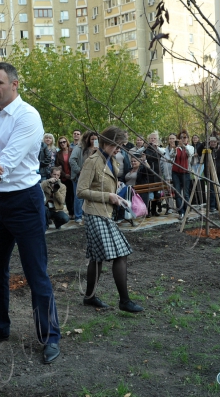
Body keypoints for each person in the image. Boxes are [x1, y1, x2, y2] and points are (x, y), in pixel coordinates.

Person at [0, 62, 61, 364]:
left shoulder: (28, 117)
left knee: (35, 273)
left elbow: (5, 167)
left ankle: (49, 337)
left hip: (26, 202)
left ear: (15, 84)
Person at [77, 125, 143, 314]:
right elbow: (80, 191)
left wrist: (117, 193)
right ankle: (124, 300)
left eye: (121, 146)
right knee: (120, 254)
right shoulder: (92, 161)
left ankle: (89, 298)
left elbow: (106, 185)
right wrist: (108, 196)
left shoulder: (111, 160)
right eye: (117, 145)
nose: (119, 149)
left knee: (97, 258)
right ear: (107, 142)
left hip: (106, 213)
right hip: (95, 213)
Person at [70, 130, 98, 224]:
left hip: (92, 176)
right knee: (79, 196)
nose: (93, 140)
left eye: (95, 139)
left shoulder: (97, 147)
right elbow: (72, 160)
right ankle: (78, 216)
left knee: (89, 196)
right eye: (91, 138)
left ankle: (86, 215)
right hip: (79, 176)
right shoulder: (79, 147)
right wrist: (79, 171)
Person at [171, 131, 193, 220]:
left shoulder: (190, 147)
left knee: (186, 194)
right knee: (177, 192)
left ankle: (186, 211)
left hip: (186, 172)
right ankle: (181, 212)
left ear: (187, 138)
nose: (183, 139)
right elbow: (172, 156)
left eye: (184, 137)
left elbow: (189, 154)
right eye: (181, 137)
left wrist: (183, 146)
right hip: (175, 172)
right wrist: (174, 148)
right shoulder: (176, 148)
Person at [143, 132, 164, 216]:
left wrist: (157, 147)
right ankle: (147, 211)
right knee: (148, 192)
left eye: (154, 138)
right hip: (148, 173)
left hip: (157, 173)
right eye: (151, 138)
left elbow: (163, 155)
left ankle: (154, 210)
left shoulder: (159, 149)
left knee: (156, 193)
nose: (153, 140)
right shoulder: (146, 149)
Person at [207, 135, 220, 212]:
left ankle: (219, 204)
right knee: (212, 189)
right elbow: (199, 151)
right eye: (211, 142)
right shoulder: (207, 150)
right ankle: (212, 206)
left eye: (214, 142)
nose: (213, 143)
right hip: (211, 172)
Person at [54, 136, 75, 216]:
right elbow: (57, 166)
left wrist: (71, 174)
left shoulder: (72, 151)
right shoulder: (58, 154)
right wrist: (64, 175)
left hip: (73, 176)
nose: (62, 143)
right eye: (60, 142)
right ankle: (71, 213)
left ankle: (76, 212)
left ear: (67, 142)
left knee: (74, 195)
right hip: (64, 177)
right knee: (67, 196)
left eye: (64, 142)